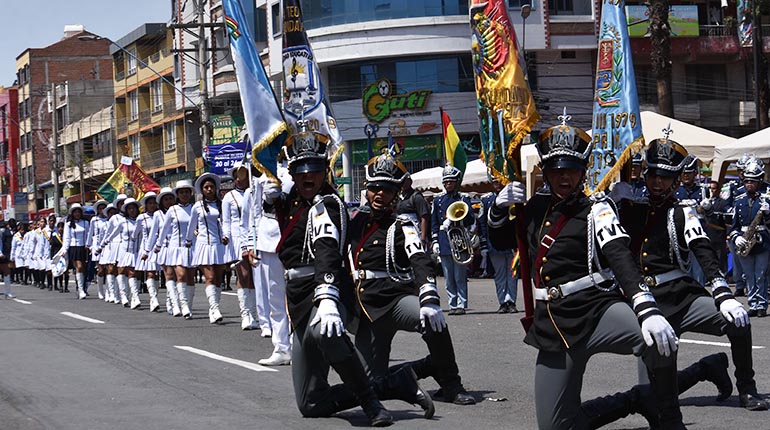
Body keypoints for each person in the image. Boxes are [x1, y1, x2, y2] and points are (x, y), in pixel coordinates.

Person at [488, 116, 684, 429]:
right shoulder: (534, 208)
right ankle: (634, 400)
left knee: (659, 340)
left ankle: (670, 421)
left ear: (584, 171)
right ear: (546, 172)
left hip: (595, 309)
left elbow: (620, 255)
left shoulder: (598, 208)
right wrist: (498, 210)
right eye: (556, 170)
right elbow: (500, 241)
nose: (564, 177)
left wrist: (646, 307)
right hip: (553, 323)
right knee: (555, 426)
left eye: (572, 169)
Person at [263, 123, 432, 426]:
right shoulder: (293, 203)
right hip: (297, 299)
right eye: (300, 170)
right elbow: (281, 229)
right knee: (311, 403)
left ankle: (371, 404)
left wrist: (327, 296)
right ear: (292, 173)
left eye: (314, 169)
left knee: (324, 332)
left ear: (325, 170)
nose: (307, 176)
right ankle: (393, 384)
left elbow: (328, 250)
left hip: (324, 290)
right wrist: (269, 198)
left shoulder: (328, 204)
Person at [615, 136, 769, 412]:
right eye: (653, 175)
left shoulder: (683, 212)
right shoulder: (628, 208)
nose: (657, 182)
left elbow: (703, 252)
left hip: (681, 297)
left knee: (738, 322)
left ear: (675, 181)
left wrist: (723, 295)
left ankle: (747, 387)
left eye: (665, 177)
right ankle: (705, 369)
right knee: (655, 393)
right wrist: (612, 205)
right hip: (645, 304)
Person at [351, 152, 475, 408]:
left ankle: (452, 384)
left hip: (395, 299)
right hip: (366, 308)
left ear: (396, 193)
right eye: (374, 188)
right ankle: (428, 366)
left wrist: (429, 296)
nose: (379, 194)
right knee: (370, 385)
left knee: (433, 321)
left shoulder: (402, 225)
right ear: (366, 190)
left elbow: (419, 257)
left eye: (386, 189)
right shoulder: (354, 223)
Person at [241, 165, 293, 365]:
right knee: (275, 298)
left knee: (297, 297)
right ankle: (281, 347)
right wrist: (251, 244)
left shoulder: (295, 167)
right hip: (268, 238)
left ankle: (299, 347)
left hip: (293, 236)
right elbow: (254, 214)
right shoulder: (260, 175)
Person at [186, 173, 229, 324]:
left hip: (219, 245)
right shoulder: (197, 207)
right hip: (204, 244)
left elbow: (225, 222)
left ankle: (213, 309)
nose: (209, 189)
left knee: (218, 279)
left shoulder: (221, 204)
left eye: (211, 187)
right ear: (202, 190)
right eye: (206, 187)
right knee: (210, 277)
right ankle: (215, 308)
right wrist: (188, 240)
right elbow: (192, 226)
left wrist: (226, 235)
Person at [729, 157, 770, 318]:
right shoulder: (739, 201)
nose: (749, 184)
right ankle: (752, 303)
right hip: (745, 241)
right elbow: (734, 226)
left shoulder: (766, 199)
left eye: (752, 181)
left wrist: (768, 214)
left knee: (761, 274)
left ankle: (762, 304)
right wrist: (736, 237)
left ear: (759, 181)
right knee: (748, 275)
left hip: (763, 241)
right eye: (747, 181)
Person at [431, 165, 475, 315]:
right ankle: (453, 304)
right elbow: (434, 223)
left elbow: (470, 220)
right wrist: (435, 241)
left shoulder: (464, 198)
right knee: (448, 276)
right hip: (444, 240)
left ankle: (462, 304)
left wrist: (460, 218)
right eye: (446, 182)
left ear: (457, 182)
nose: (448, 184)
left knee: (460, 275)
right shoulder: (438, 201)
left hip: (459, 238)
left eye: (451, 181)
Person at [222, 162, 258, 330]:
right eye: (237, 175)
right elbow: (226, 221)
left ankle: (255, 314)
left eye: (243, 174)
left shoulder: (255, 192)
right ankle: (245, 314)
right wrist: (226, 235)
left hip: (256, 236)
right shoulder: (229, 197)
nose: (240, 178)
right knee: (243, 275)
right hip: (237, 238)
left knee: (256, 276)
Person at [156, 180, 195, 319]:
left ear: (190, 194)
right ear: (177, 195)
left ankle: (188, 306)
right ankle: (182, 305)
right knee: (181, 275)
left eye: (186, 192)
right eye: (181, 192)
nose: (184, 194)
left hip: (192, 248)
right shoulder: (172, 210)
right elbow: (164, 230)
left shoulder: (195, 208)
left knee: (191, 278)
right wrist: (158, 245)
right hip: (176, 247)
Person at [479, 179, 518, 313]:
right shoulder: (486, 200)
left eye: (500, 181)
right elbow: (482, 223)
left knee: (512, 274)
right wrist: (484, 245)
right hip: (494, 243)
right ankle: (502, 302)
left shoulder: (513, 197)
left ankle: (511, 301)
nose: (498, 184)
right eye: (495, 181)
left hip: (512, 242)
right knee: (500, 275)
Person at [98, 198, 141, 309]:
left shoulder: (140, 220)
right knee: (122, 271)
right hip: (123, 250)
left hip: (136, 250)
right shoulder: (122, 221)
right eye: (129, 208)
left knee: (133, 273)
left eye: (134, 208)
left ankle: (133, 296)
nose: (132, 211)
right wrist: (102, 245)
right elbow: (112, 234)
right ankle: (125, 296)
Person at [144, 187, 180, 316]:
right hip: (164, 248)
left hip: (178, 248)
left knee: (177, 276)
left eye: (170, 199)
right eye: (166, 199)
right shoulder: (158, 215)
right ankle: (175, 304)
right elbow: (153, 234)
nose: (169, 201)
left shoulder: (178, 211)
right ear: (162, 202)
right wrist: (147, 251)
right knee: (169, 275)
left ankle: (170, 301)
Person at [134, 192, 161, 312]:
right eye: (149, 203)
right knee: (149, 273)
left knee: (156, 274)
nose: (152, 205)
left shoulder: (159, 215)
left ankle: (153, 298)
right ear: (145, 205)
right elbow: (135, 233)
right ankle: (153, 298)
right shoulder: (141, 217)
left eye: (154, 203)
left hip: (158, 248)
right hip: (146, 248)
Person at [61, 203, 91, 299]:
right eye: (75, 212)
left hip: (84, 247)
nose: (77, 214)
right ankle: (81, 290)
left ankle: (81, 287)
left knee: (83, 269)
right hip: (74, 247)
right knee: (79, 266)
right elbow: (67, 237)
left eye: (79, 212)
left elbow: (88, 235)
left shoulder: (86, 223)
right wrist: (65, 249)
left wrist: (89, 245)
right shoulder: (69, 224)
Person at [701, 180, 730, 273]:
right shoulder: (701, 201)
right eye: (709, 188)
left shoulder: (723, 203)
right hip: (706, 233)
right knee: (708, 257)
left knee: (720, 257)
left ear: (717, 190)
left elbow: (726, 219)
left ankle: (722, 275)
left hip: (718, 235)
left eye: (713, 188)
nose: (711, 191)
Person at [396, 173, 431, 249]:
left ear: (410, 182)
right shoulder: (398, 198)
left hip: (416, 232)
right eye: (401, 182)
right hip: (401, 234)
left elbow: (424, 217)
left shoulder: (416, 197)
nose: (403, 184)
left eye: (405, 181)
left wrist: (423, 238)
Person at [87, 200, 109, 300]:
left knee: (109, 269)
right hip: (97, 245)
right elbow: (90, 232)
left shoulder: (110, 219)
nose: (102, 210)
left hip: (108, 245)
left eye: (104, 208)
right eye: (100, 208)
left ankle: (109, 290)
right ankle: (100, 290)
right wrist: (89, 245)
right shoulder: (94, 220)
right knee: (100, 269)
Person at [0, 221, 15, 299]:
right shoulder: (3, 232)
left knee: (7, 272)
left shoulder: (7, 233)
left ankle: (7, 292)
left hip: (4, 255)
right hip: (2, 254)